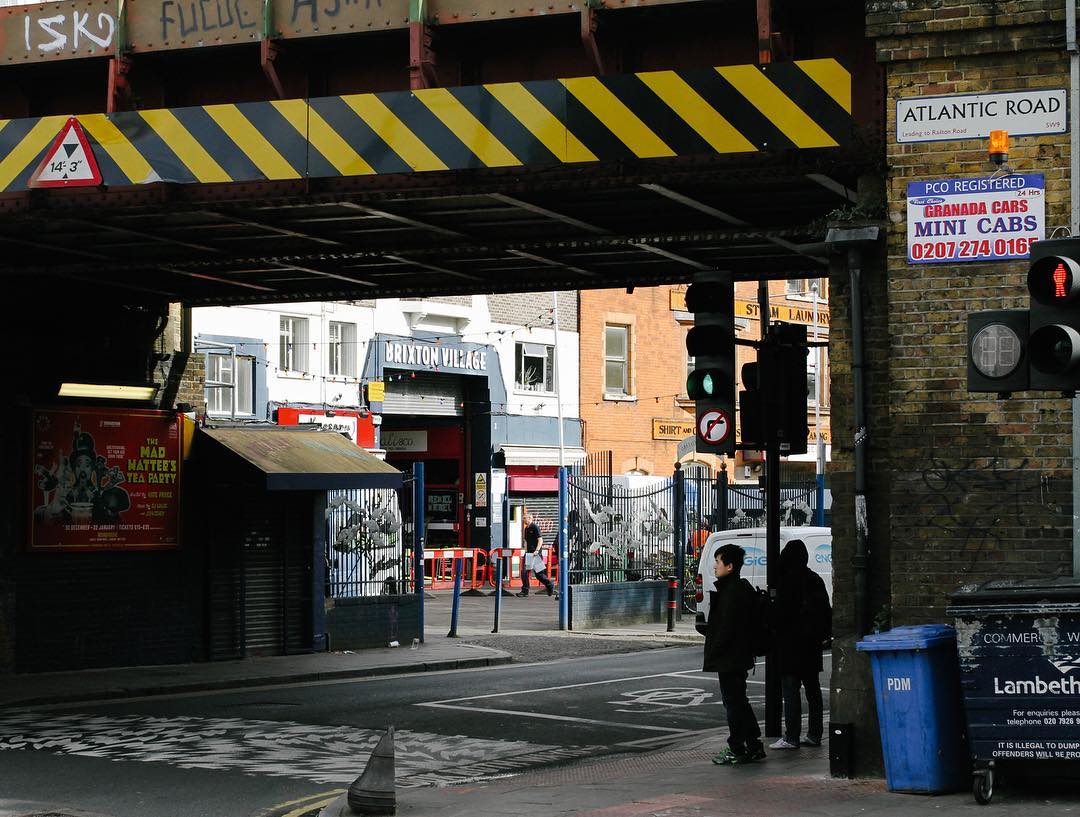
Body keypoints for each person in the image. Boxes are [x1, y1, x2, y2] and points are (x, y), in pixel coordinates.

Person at [703, 543, 766, 765]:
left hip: (730, 657)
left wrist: (714, 651)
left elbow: (725, 628)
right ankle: (754, 745)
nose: (714, 567)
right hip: (739, 656)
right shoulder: (739, 589)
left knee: (733, 703)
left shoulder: (731, 593)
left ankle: (737, 747)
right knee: (739, 701)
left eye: (718, 562)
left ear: (729, 566)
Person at [768, 539, 831, 751]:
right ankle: (814, 734)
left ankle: (792, 736)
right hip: (811, 644)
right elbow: (825, 611)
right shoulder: (815, 579)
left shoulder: (786, 581)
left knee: (791, 690)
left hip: (790, 643)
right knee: (813, 690)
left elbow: (780, 615)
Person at [517, 512, 555, 597]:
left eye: (525, 518)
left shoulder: (535, 527)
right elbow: (526, 541)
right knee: (524, 572)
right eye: (523, 518)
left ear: (530, 518)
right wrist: (526, 552)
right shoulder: (526, 528)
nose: (523, 520)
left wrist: (537, 550)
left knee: (539, 575)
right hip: (529, 554)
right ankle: (525, 590)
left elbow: (540, 540)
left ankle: (550, 585)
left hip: (535, 554)